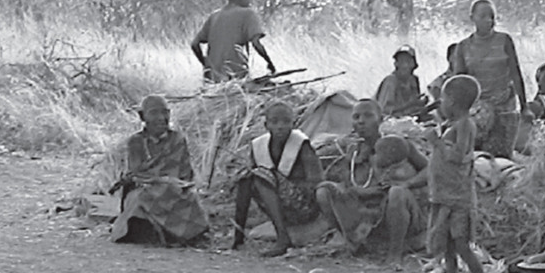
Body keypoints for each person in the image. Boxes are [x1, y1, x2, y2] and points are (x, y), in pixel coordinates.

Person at [315, 98, 429, 259]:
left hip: (396, 208)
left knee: (396, 192)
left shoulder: (398, 144)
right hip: (366, 212)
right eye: (356, 117)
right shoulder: (352, 150)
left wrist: (407, 184)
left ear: (380, 119)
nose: (361, 121)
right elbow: (349, 183)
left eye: (368, 116)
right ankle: (355, 245)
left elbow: (430, 169)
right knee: (324, 190)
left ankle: (394, 254)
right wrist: (361, 191)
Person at [425, 75, 495, 273]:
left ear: (453, 101)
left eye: (443, 98)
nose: (441, 102)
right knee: (448, 247)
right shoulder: (453, 125)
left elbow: (458, 157)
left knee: (462, 245)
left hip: (458, 197)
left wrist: (436, 143)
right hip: (445, 194)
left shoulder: (465, 125)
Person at [111, 95, 210, 247]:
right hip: (145, 187)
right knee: (141, 199)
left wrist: (173, 182)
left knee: (191, 197)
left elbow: (185, 173)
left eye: (165, 112)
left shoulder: (177, 139)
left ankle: (188, 235)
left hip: (174, 187)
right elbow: (137, 173)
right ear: (143, 117)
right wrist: (159, 180)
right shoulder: (135, 141)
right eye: (154, 113)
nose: (161, 118)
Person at [232, 99, 324, 256]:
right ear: (266, 126)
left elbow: (316, 182)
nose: (280, 126)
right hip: (280, 205)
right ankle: (238, 235)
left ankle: (283, 238)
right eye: (274, 122)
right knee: (246, 178)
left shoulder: (302, 145)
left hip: (304, 206)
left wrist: (289, 187)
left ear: (293, 124)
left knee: (260, 177)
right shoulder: (258, 145)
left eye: (286, 121)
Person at [447, 0, 528, 157]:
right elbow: (460, 83)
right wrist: (458, 114)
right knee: (478, 155)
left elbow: (515, 73)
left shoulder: (504, 40)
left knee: (501, 155)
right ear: (472, 18)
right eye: (483, 16)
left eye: (491, 16)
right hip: (478, 111)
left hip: (504, 108)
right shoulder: (463, 47)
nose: (489, 20)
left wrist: (524, 106)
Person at [191, 0, 276, 82]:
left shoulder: (214, 16)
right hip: (236, 78)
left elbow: (194, 44)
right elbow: (256, 43)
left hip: (212, 80)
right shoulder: (249, 14)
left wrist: (206, 65)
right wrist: (270, 64)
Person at [374, 46, 429, 119]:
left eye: (408, 61)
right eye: (401, 61)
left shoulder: (414, 80)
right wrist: (411, 104)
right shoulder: (391, 81)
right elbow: (384, 111)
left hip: (409, 120)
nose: (405, 65)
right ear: (396, 64)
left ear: (413, 64)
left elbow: (414, 107)